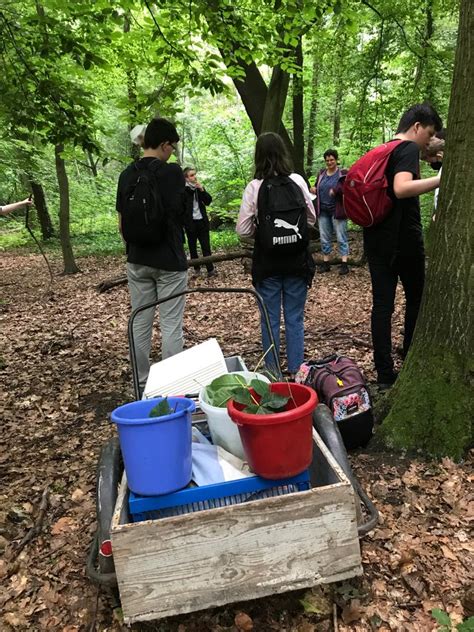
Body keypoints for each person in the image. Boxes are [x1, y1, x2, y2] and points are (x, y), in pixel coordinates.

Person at [364, 103, 442, 387]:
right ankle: (409, 361)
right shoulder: (407, 149)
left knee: (382, 307)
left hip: (376, 241)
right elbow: (401, 188)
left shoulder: (384, 149)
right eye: (429, 133)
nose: (429, 141)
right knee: (416, 299)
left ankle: (385, 374)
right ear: (417, 127)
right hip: (404, 243)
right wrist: (440, 179)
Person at [116, 117, 188, 395]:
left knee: (140, 321)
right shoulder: (172, 173)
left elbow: (122, 224)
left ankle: (142, 384)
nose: (172, 151)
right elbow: (181, 215)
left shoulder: (126, 174)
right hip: (170, 260)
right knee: (171, 324)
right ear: (163, 144)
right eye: (171, 146)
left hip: (137, 260)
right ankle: (171, 388)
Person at [236, 132, 316, 377]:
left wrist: (264, 236)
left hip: (267, 265)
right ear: (283, 153)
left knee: (269, 320)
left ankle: (272, 374)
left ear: (258, 156)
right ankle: (296, 373)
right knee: (294, 319)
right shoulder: (298, 182)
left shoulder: (255, 187)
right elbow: (311, 218)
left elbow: (242, 229)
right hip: (297, 263)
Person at [310, 149, 349, 275]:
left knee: (341, 237)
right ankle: (326, 262)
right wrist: (314, 189)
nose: (329, 162)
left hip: (337, 210)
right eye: (327, 160)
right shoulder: (321, 174)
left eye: (332, 160)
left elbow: (347, 188)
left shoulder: (342, 173)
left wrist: (336, 191)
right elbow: (317, 186)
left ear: (336, 160)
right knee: (324, 237)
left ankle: (344, 263)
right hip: (323, 211)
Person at [183, 167, 216, 278]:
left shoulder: (199, 188)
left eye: (195, 174)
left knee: (206, 246)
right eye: (191, 175)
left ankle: (210, 269)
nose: (194, 177)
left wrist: (202, 190)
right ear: (186, 178)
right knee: (192, 247)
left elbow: (208, 201)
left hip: (202, 221)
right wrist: (185, 222)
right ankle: (196, 269)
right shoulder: (183, 190)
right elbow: (181, 208)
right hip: (190, 223)